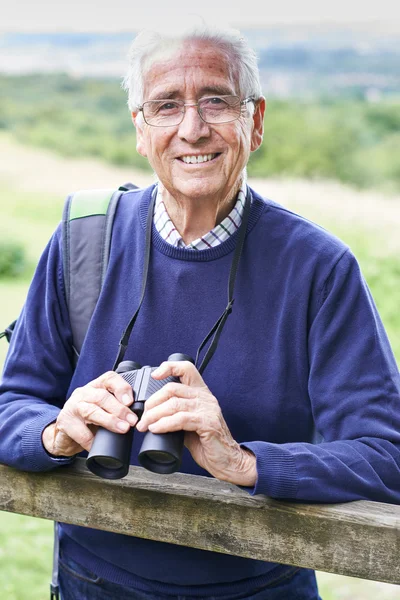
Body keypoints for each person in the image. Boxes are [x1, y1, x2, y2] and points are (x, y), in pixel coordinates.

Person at [1, 22, 399, 600]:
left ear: (255, 121)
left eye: (216, 100)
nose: (192, 128)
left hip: (257, 589)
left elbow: (386, 455)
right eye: (166, 106)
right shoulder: (84, 241)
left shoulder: (318, 267)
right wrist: (56, 432)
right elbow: (11, 402)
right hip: (94, 581)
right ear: (140, 130)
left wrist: (242, 461)